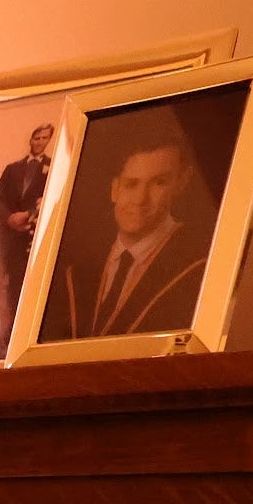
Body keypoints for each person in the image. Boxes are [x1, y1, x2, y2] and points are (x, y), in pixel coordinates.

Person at [49, 117, 209, 341]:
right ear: (115, 189)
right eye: (131, 184)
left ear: (181, 183)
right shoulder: (77, 269)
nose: (140, 199)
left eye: (158, 183)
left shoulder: (199, 267)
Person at [0, 121, 54, 359]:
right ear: (30, 140)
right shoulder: (12, 168)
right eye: (36, 138)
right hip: (3, 241)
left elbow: (50, 199)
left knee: (18, 292)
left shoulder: (52, 168)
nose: (39, 142)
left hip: (26, 243)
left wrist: (29, 215)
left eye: (44, 138)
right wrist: (8, 218)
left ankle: (9, 342)